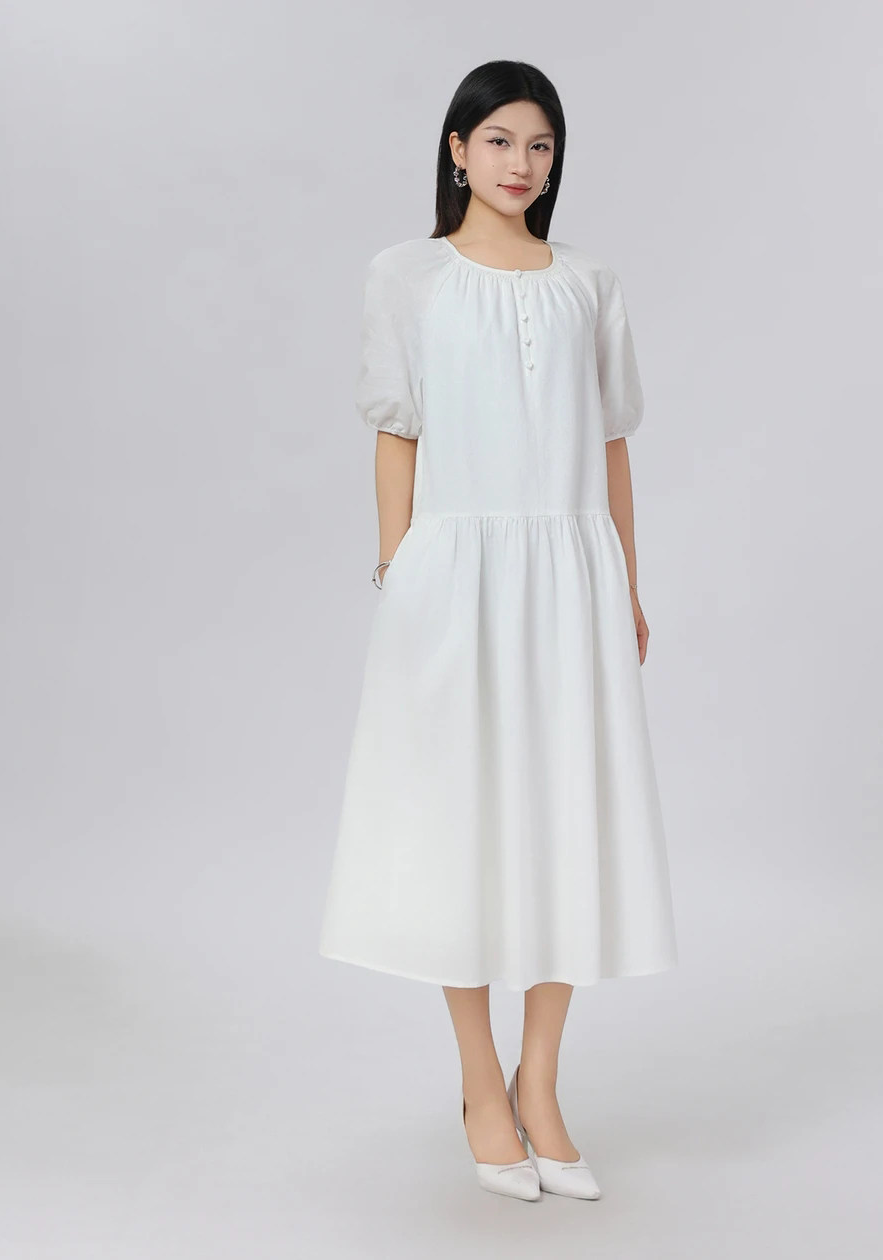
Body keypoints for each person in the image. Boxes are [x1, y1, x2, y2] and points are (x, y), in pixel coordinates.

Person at [318, 59, 678, 1201]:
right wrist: (400, 569)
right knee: (460, 823)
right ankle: (481, 1082)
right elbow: (397, 430)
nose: (522, 164)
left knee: (572, 816)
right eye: (502, 141)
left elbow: (612, 444)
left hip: (570, 574)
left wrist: (624, 585)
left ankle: (544, 1083)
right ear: (458, 149)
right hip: (454, 576)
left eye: (542, 145)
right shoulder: (407, 275)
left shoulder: (590, 283)